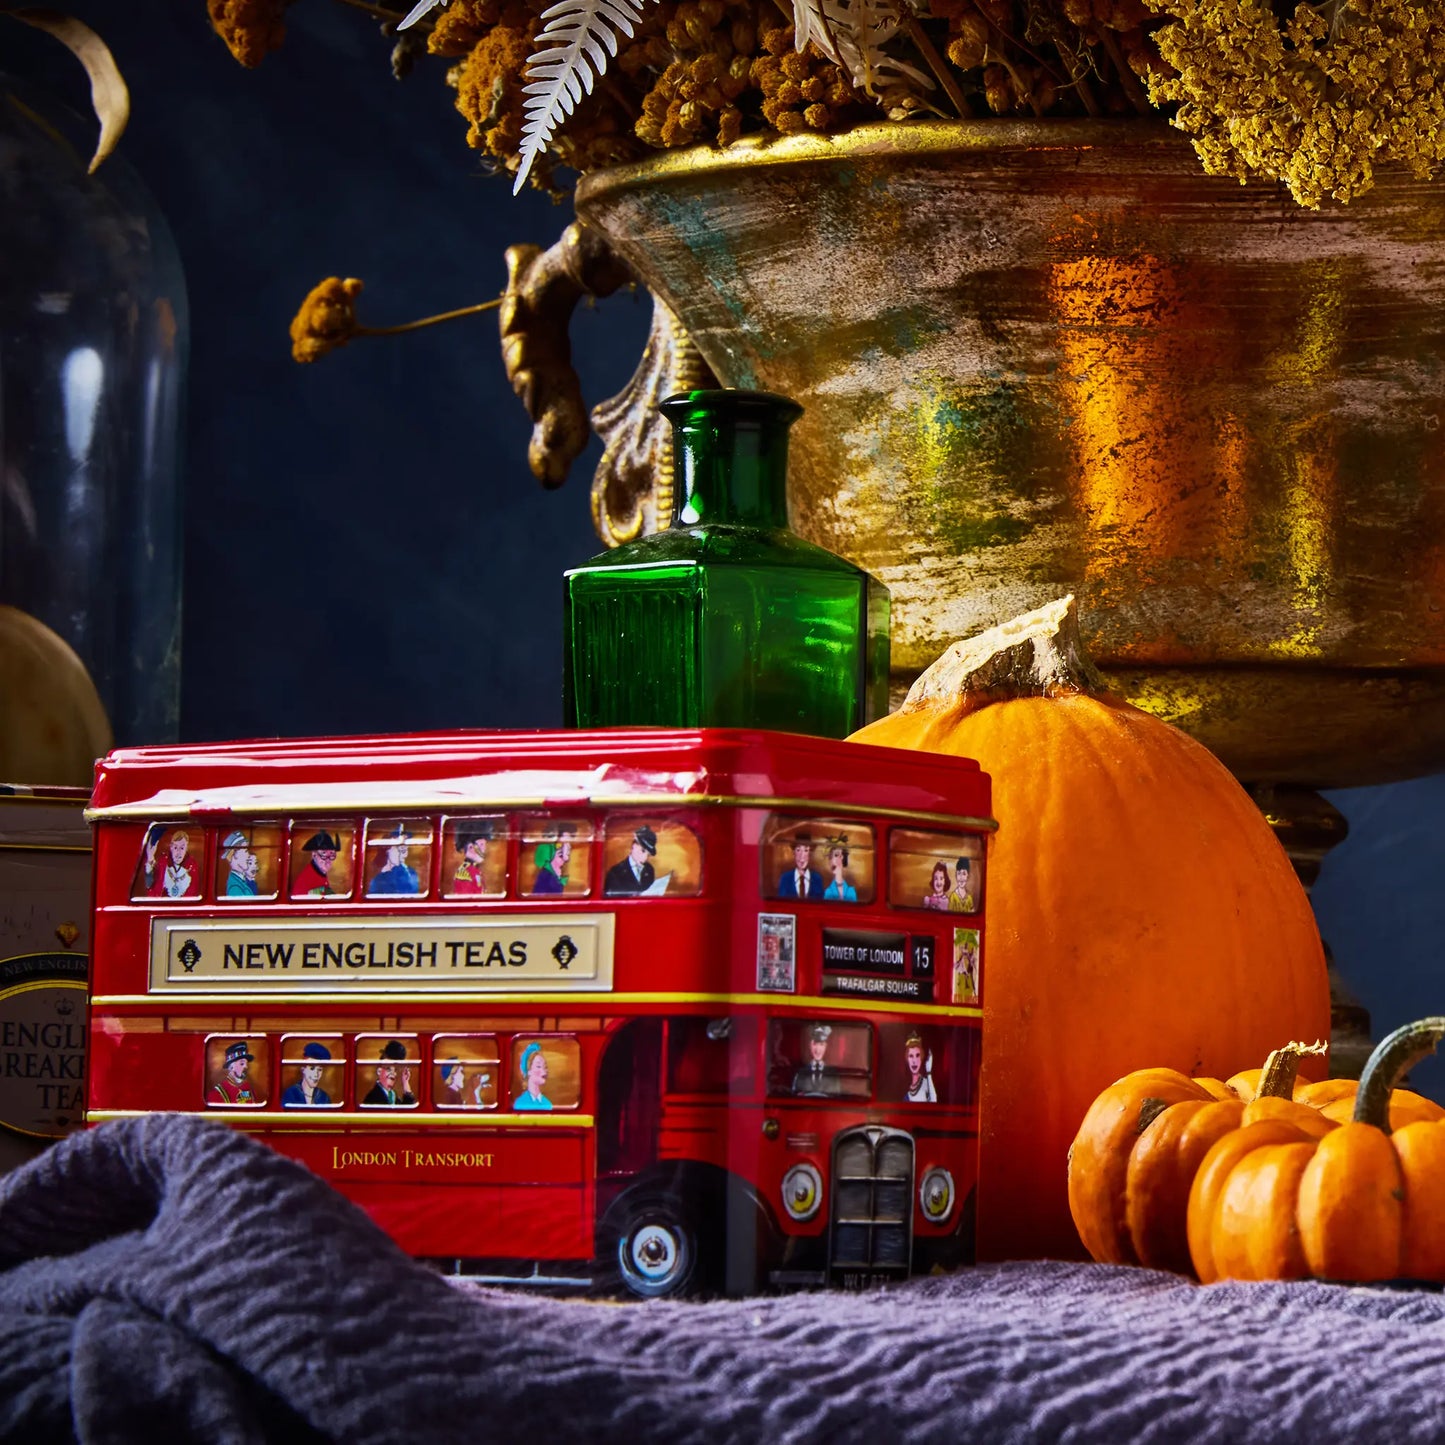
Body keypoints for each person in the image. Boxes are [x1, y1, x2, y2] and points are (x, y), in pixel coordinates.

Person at [369, 822, 421, 896]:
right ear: (388, 849)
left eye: (405, 849)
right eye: (399, 849)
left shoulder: (410, 873)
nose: (404, 855)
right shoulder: (378, 879)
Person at [145, 828, 198, 899]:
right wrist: (150, 859)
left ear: (186, 849)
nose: (178, 853)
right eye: (175, 848)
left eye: (182, 848)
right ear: (171, 847)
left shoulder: (192, 868)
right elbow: (149, 884)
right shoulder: (162, 863)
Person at [604, 825, 657, 895]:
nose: (645, 858)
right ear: (633, 846)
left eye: (648, 855)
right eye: (643, 851)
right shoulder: (615, 873)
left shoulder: (649, 870)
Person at [791, 1023, 841, 1096]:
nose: (817, 1050)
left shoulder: (833, 1075)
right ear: (810, 1046)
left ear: (826, 1047)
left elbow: (837, 1098)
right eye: (815, 1044)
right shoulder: (801, 1073)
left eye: (821, 1044)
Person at [363, 1039, 416, 1106]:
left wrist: (406, 1084)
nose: (393, 1073)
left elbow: (407, 1112)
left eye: (395, 1070)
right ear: (379, 1071)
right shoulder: (373, 1097)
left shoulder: (393, 1096)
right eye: (388, 1069)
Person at [282, 1041, 333, 1106]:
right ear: (303, 1069)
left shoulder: (324, 1098)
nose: (316, 1075)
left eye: (320, 1070)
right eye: (312, 1068)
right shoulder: (291, 1094)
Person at [450, 819, 494, 895]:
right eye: (481, 844)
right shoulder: (464, 872)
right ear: (471, 847)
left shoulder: (475, 870)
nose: (484, 848)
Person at [293, 830, 342, 897]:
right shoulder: (307, 879)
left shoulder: (320, 872)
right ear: (314, 855)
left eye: (331, 854)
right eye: (324, 854)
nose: (328, 860)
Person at [777, 834, 825, 899]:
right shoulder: (785, 879)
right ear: (794, 853)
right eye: (798, 850)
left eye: (806, 850)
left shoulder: (817, 879)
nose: (802, 856)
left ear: (809, 854)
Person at [210, 1040, 258, 1105]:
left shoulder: (249, 1088)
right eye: (242, 1063)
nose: (246, 1067)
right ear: (231, 1066)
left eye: (246, 1063)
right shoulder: (218, 1092)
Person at [531, 827, 574, 895]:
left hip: (557, 878)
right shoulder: (545, 847)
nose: (565, 840)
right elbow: (539, 862)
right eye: (563, 836)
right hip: (546, 875)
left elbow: (566, 864)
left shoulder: (566, 848)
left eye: (568, 837)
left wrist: (563, 880)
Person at [512, 1041, 553, 1110]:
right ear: (528, 1070)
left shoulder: (547, 1104)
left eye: (545, 1067)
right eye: (539, 1066)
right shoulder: (520, 1103)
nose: (544, 1071)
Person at [222, 830, 260, 897]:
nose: (248, 856)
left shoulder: (242, 881)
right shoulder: (235, 887)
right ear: (234, 854)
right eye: (245, 851)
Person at [904, 1031, 937, 1103]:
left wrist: (928, 1071)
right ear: (907, 1059)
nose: (914, 1061)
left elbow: (934, 1101)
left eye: (917, 1055)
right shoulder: (905, 1090)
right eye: (911, 1056)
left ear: (921, 1058)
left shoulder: (926, 1083)